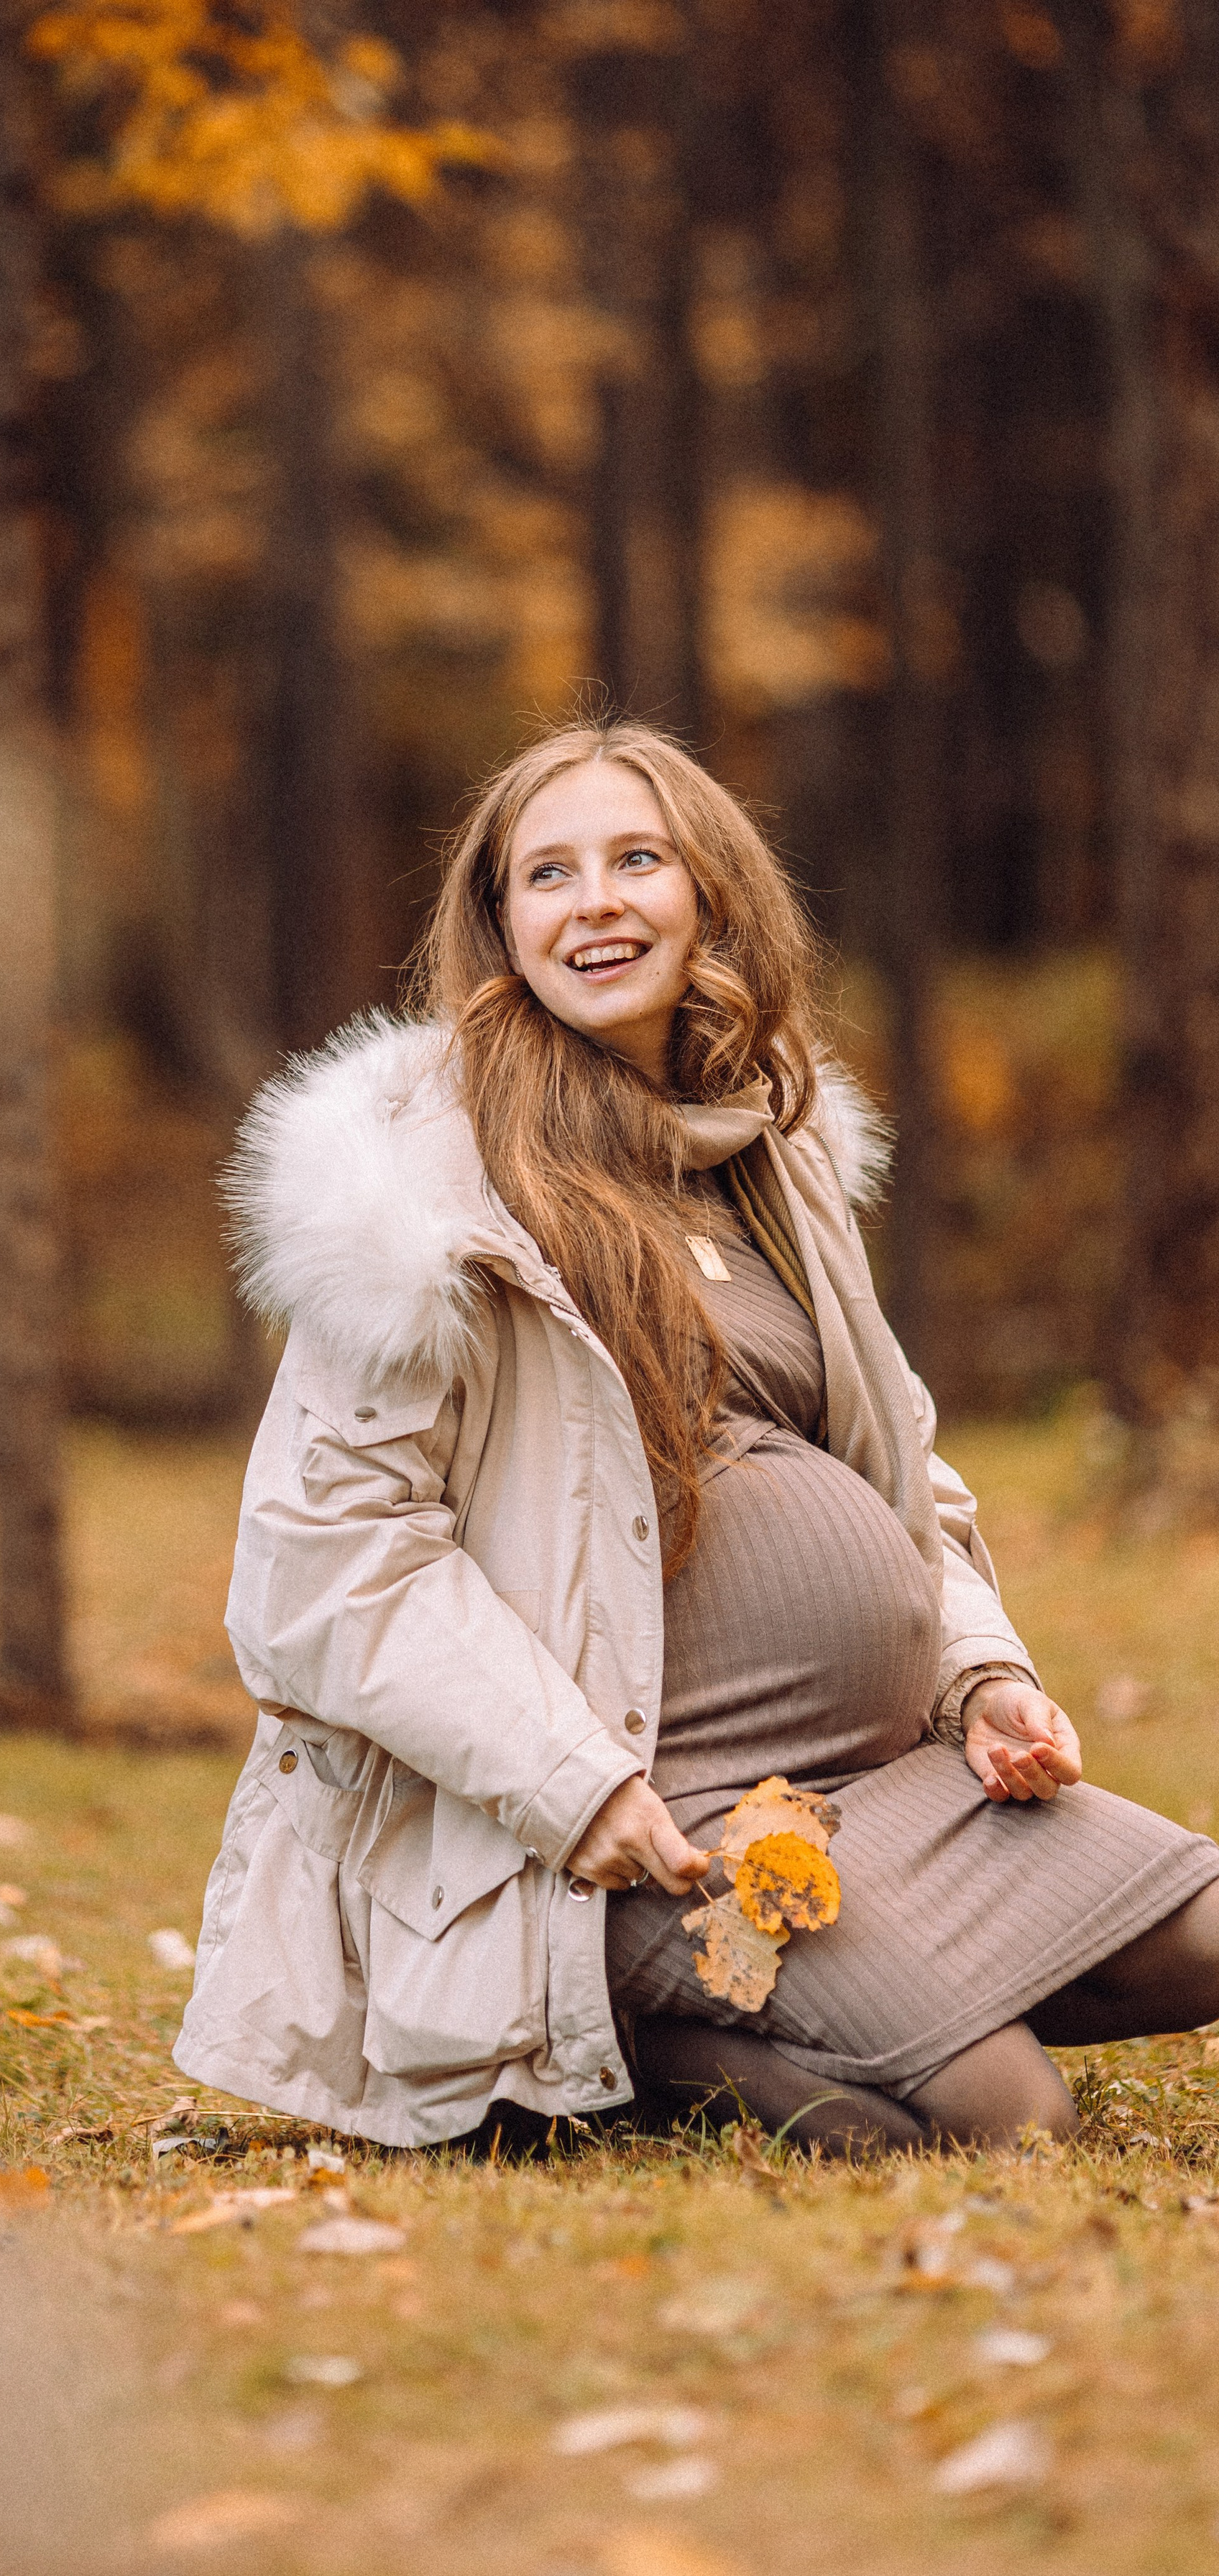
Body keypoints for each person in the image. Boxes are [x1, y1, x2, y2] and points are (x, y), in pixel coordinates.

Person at [176, 715, 1219, 2159]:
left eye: (635, 859)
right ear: (500, 924)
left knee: (1203, 1940)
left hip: (883, 1786)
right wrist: (572, 1784)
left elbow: (900, 1465)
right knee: (1006, 2119)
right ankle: (628, 2032)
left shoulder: (770, 1151)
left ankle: (879, 1996)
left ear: (710, 893)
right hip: (648, 1829)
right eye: (547, 874)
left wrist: (979, 1676)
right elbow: (326, 1561)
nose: (593, 902)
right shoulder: (420, 1189)